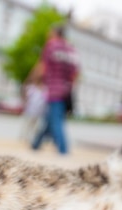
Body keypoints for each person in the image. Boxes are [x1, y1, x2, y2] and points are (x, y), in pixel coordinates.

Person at [30, 23, 78, 155]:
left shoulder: (51, 46)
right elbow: (75, 72)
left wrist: (33, 81)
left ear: (54, 33)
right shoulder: (70, 48)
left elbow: (43, 67)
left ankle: (63, 148)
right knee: (50, 117)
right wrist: (69, 85)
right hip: (66, 89)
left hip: (53, 88)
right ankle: (36, 143)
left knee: (55, 119)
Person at [18, 76, 47, 142]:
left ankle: (32, 138)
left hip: (39, 111)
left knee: (35, 126)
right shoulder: (33, 89)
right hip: (30, 110)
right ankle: (23, 137)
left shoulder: (44, 90)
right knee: (27, 124)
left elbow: (45, 101)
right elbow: (27, 97)